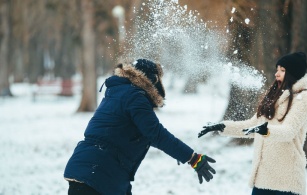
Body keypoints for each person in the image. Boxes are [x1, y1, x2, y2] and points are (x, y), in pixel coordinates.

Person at [64, 59, 216, 195]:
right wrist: (192, 158)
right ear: (152, 81)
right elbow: (157, 135)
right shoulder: (135, 97)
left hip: (92, 171)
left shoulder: (118, 93)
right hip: (97, 175)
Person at [198, 52, 307, 195]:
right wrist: (222, 127)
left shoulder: (303, 98)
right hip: (262, 179)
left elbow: (288, 131)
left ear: (293, 73)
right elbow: (252, 126)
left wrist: (265, 130)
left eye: (282, 70)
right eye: (277, 69)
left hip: (287, 183)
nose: (277, 74)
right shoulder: (273, 96)